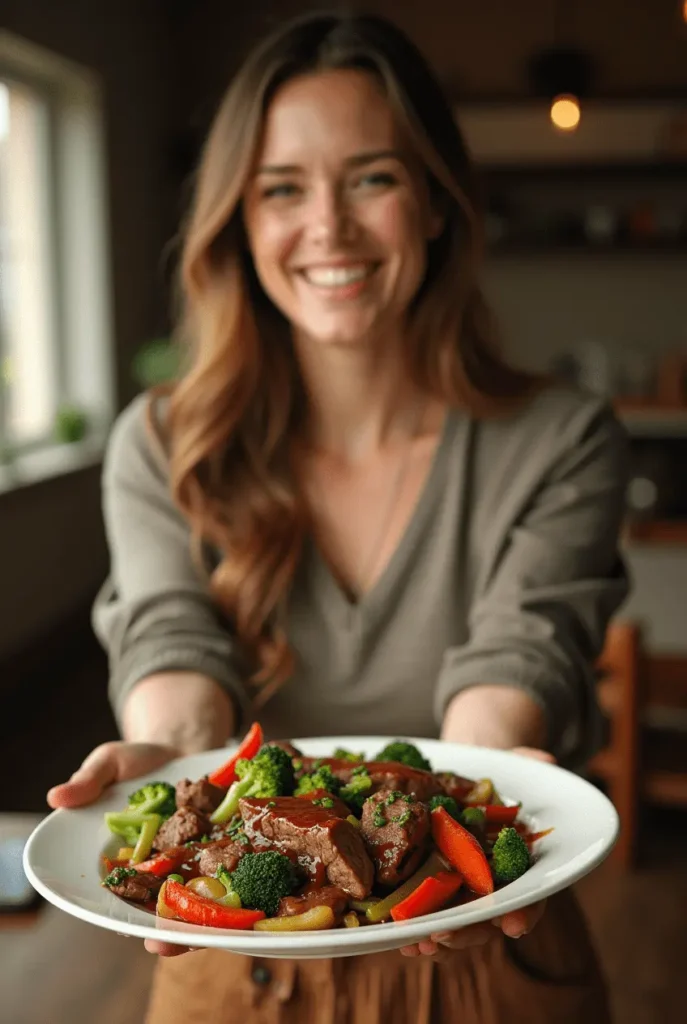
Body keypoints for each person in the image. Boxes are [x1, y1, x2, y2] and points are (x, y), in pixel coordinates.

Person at [48, 11, 629, 1023]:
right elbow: (172, 636)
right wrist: (176, 762)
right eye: (282, 188)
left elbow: (521, 651)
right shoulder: (163, 442)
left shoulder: (562, 435)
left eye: (372, 177)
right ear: (239, 217)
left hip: (488, 947)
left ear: (437, 203)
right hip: (229, 959)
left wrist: (481, 785)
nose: (330, 227)